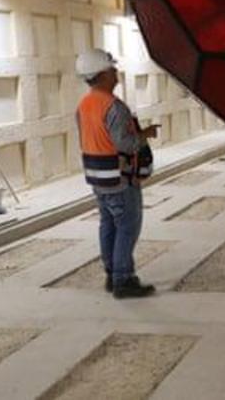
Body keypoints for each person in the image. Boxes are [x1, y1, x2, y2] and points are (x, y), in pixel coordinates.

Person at [75, 49, 157, 298]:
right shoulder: (114, 106)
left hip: (98, 177)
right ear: (101, 75)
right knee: (127, 227)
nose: (116, 72)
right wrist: (146, 134)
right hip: (120, 179)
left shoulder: (84, 105)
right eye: (112, 69)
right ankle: (123, 280)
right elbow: (126, 145)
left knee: (108, 224)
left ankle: (112, 274)